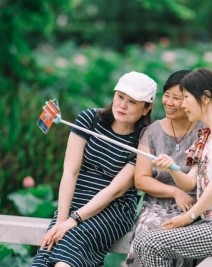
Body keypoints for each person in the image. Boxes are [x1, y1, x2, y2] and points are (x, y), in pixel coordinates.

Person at [30, 71, 157, 267]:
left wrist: (72, 221)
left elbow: (115, 190)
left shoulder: (144, 139)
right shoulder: (89, 119)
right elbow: (70, 172)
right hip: (76, 199)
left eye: (132, 102)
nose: (122, 105)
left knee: (68, 251)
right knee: (48, 251)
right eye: (120, 97)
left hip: (114, 208)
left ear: (147, 108)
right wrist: (61, 220)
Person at [133, 68, 212, 266]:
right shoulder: (206, 136)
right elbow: (188, 184)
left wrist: (189, 216)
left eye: (185, 97)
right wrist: (171, 168)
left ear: (205, 98)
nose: (183, 105)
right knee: (143, 241)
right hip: (209, 223)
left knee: (151, 243)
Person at [126, 70, 205, 267]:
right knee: (151, 227)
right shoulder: (151, 132)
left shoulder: (205, 131)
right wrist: (174, 191)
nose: (169, 102)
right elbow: (141, 179)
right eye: (166, 96)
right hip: (157, 205)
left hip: (195, 206)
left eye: (176, 98)